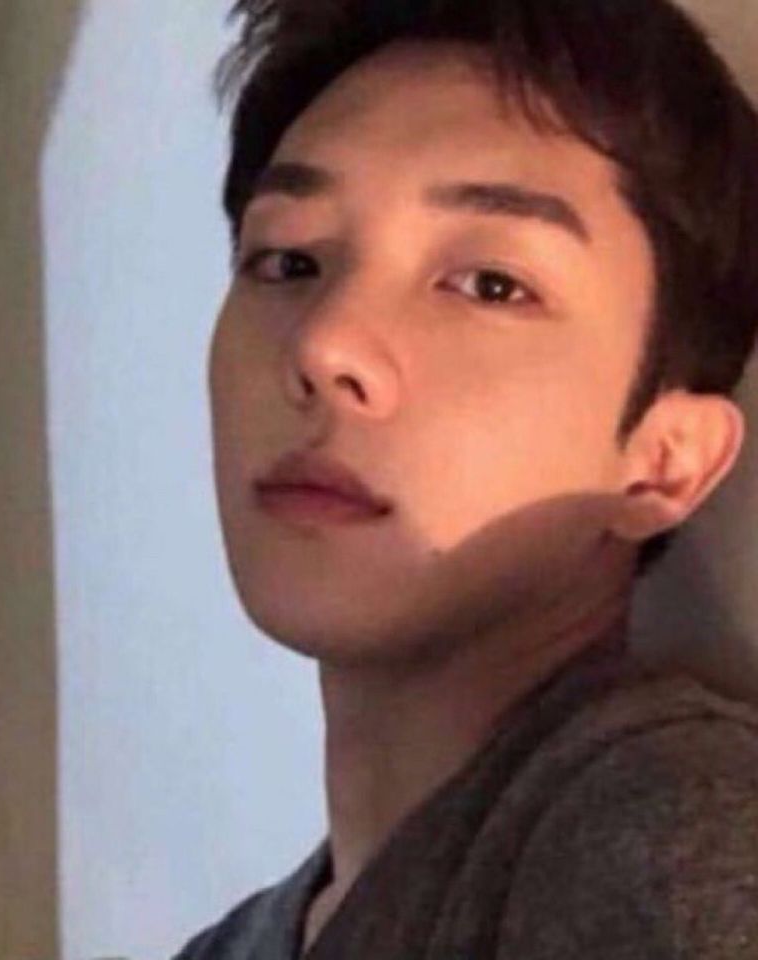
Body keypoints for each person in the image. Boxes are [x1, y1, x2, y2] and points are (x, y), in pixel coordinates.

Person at [173, 0, 758, 956]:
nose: (324, 345)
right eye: (288, 261)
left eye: (491, 284)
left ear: (665, 462)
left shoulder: (673, 842)